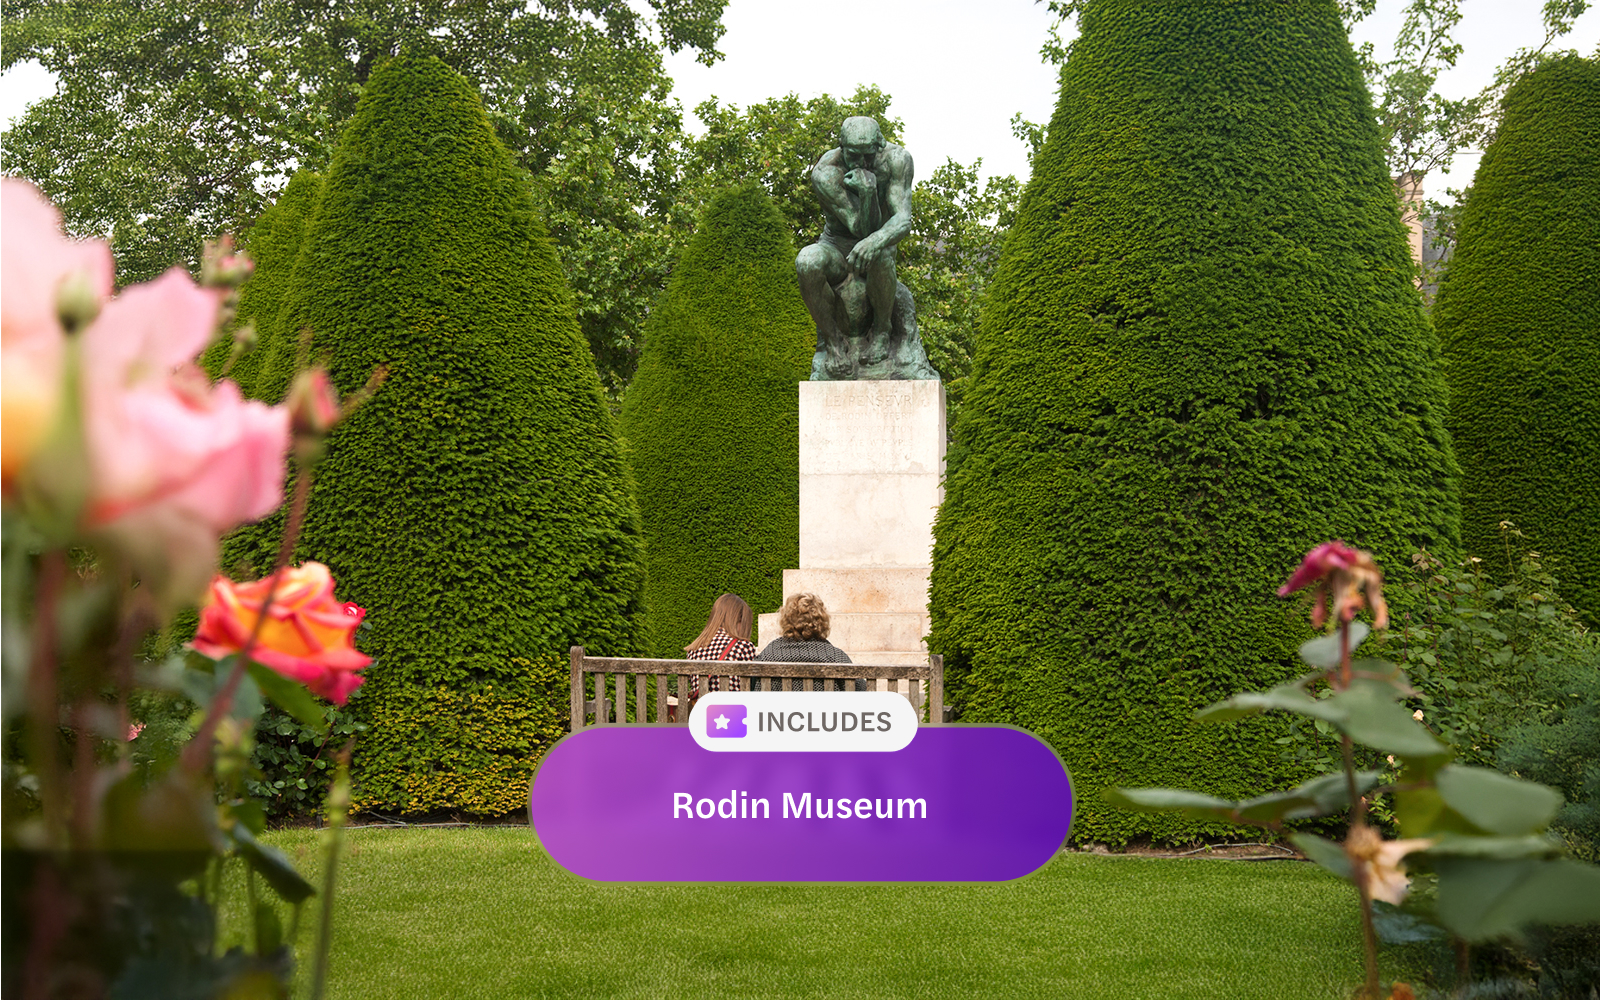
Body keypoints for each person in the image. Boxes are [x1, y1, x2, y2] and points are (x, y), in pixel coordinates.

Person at [756, 592, 855, 691]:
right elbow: (861, 689)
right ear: (822, 620)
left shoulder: (769, 654)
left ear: (785, 619)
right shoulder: (837, 658)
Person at [684, 593, 757, 702]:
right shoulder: (743, 647)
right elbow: (754, 689)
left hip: (702, 715)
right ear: (738, 621)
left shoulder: (693, 650)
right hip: (735, 716)